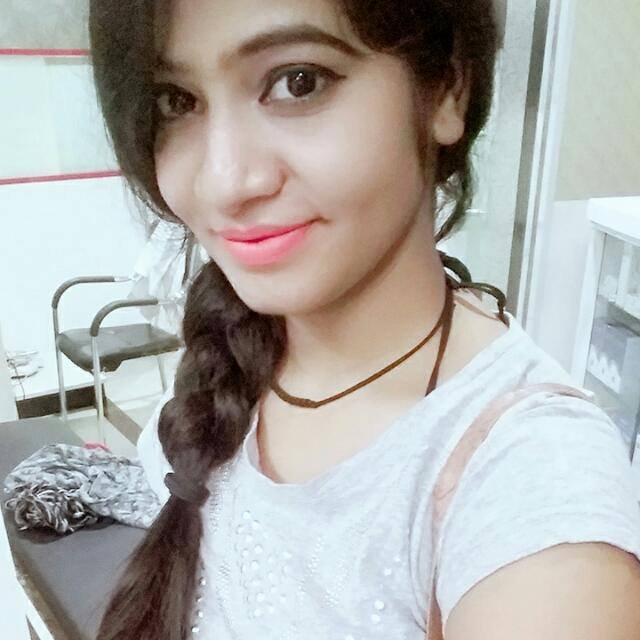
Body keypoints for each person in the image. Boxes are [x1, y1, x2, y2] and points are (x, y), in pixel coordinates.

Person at [88, 1, 640, 638]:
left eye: (298, 82)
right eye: (176, 102)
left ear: (448, 87)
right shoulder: (226, 370)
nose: (225, 182)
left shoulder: (532, 480)